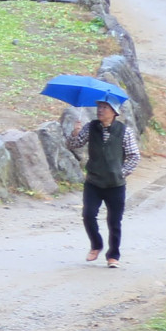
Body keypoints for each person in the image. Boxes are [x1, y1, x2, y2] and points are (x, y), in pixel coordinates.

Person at [67, 98, 139, 266]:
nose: (100, 110)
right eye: (99, 107)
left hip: (115, 185)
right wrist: (75, 133)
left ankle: (113, 256)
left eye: (105, 108)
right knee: (88, 215)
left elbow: (134, 156)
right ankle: (96, 245)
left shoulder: (124, 131)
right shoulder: (91, 127)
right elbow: (74, 144)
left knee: (114, 221)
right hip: (93, 181)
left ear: (114, 112)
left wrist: (121, 173)